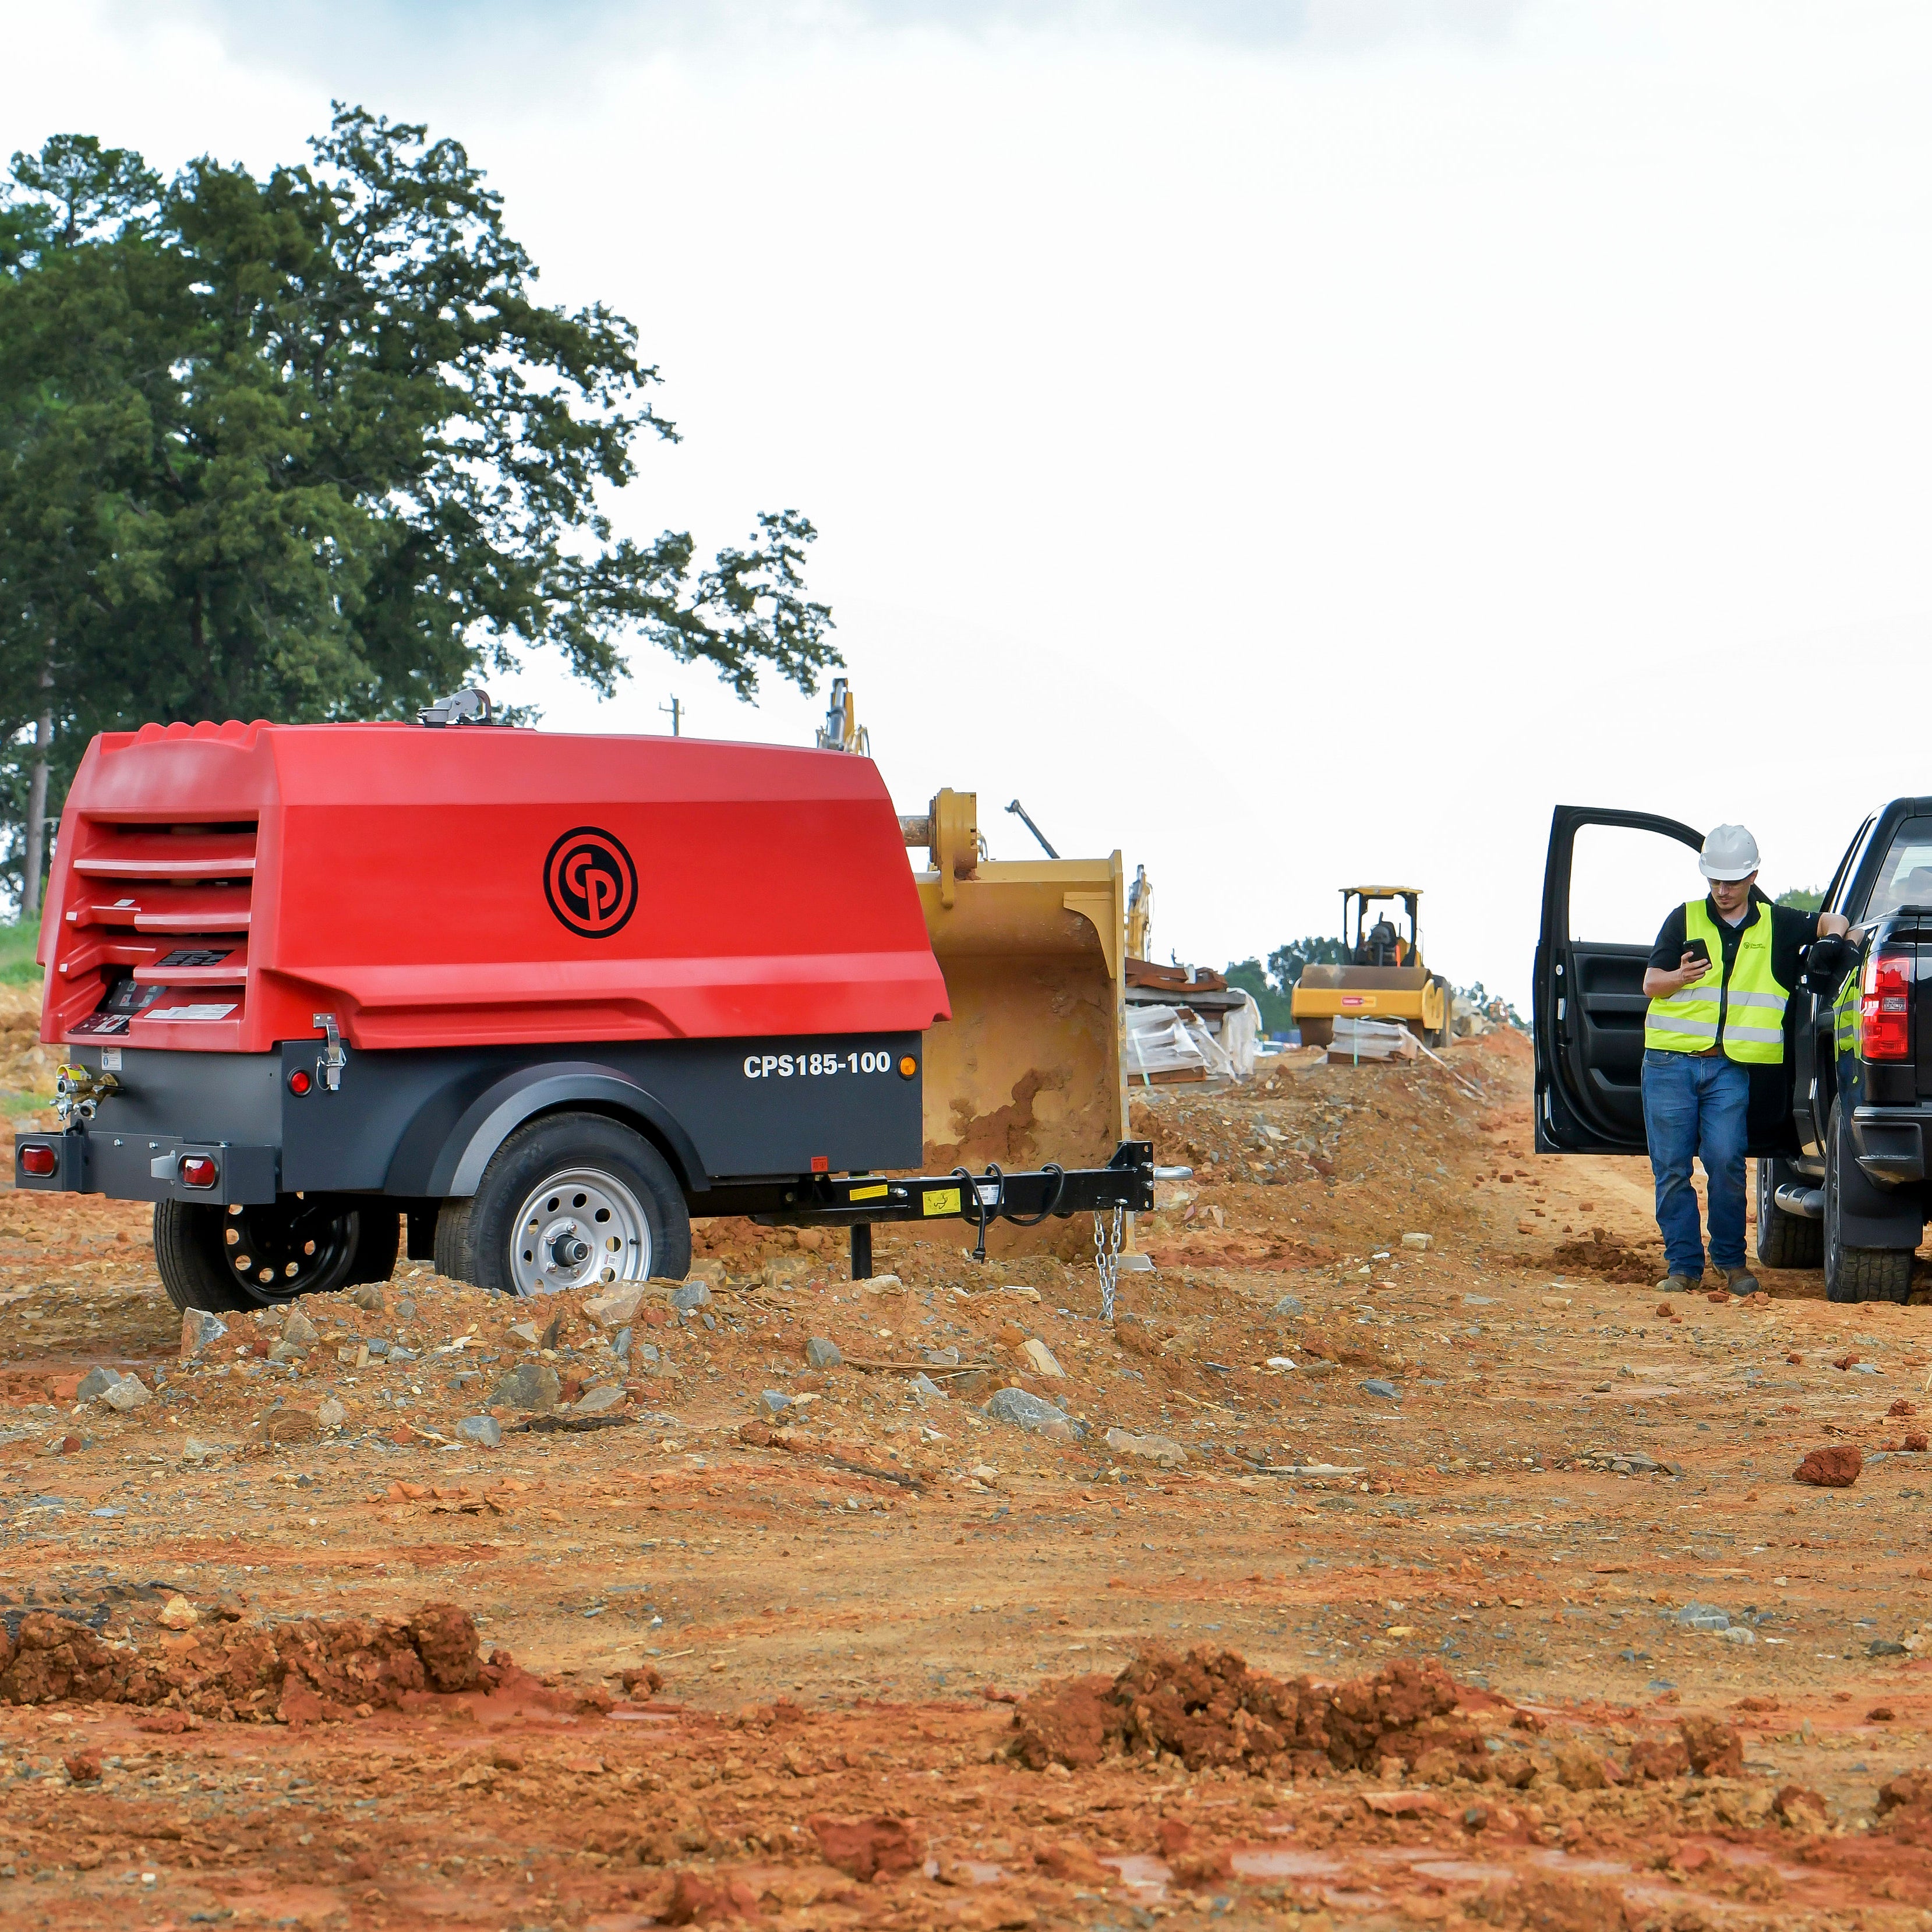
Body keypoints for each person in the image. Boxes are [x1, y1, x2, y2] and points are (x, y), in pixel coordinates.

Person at [1641, 824, 1849, 1295]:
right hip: (1669, 1063)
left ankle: (1730, 1262)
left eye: (1731, 881)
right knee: (1671, 1167)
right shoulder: (1684, 918)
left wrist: (1834, 943)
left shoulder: (1775, 922)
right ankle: (1682, 1266)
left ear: (1753, 875)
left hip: (1727, 1067)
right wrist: (1678, 976)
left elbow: (1832, 921)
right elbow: (1650, 983)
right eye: (1714, 880)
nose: (1721, 890)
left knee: (1726, 1161)